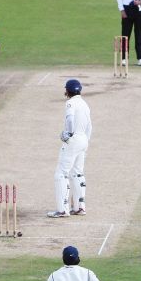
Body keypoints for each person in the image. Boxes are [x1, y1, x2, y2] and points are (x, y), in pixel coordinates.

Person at [47, 79, 92, 218]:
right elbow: (90, 126)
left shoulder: (70, 103)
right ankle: (79, 207)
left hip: (73, 140)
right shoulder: (85, 104)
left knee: (61, 174)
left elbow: (70, 119)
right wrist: (85, 141)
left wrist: (69, 133)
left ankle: (62, 210)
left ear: (68, 91)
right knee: (77, 173)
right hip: (83, 140)